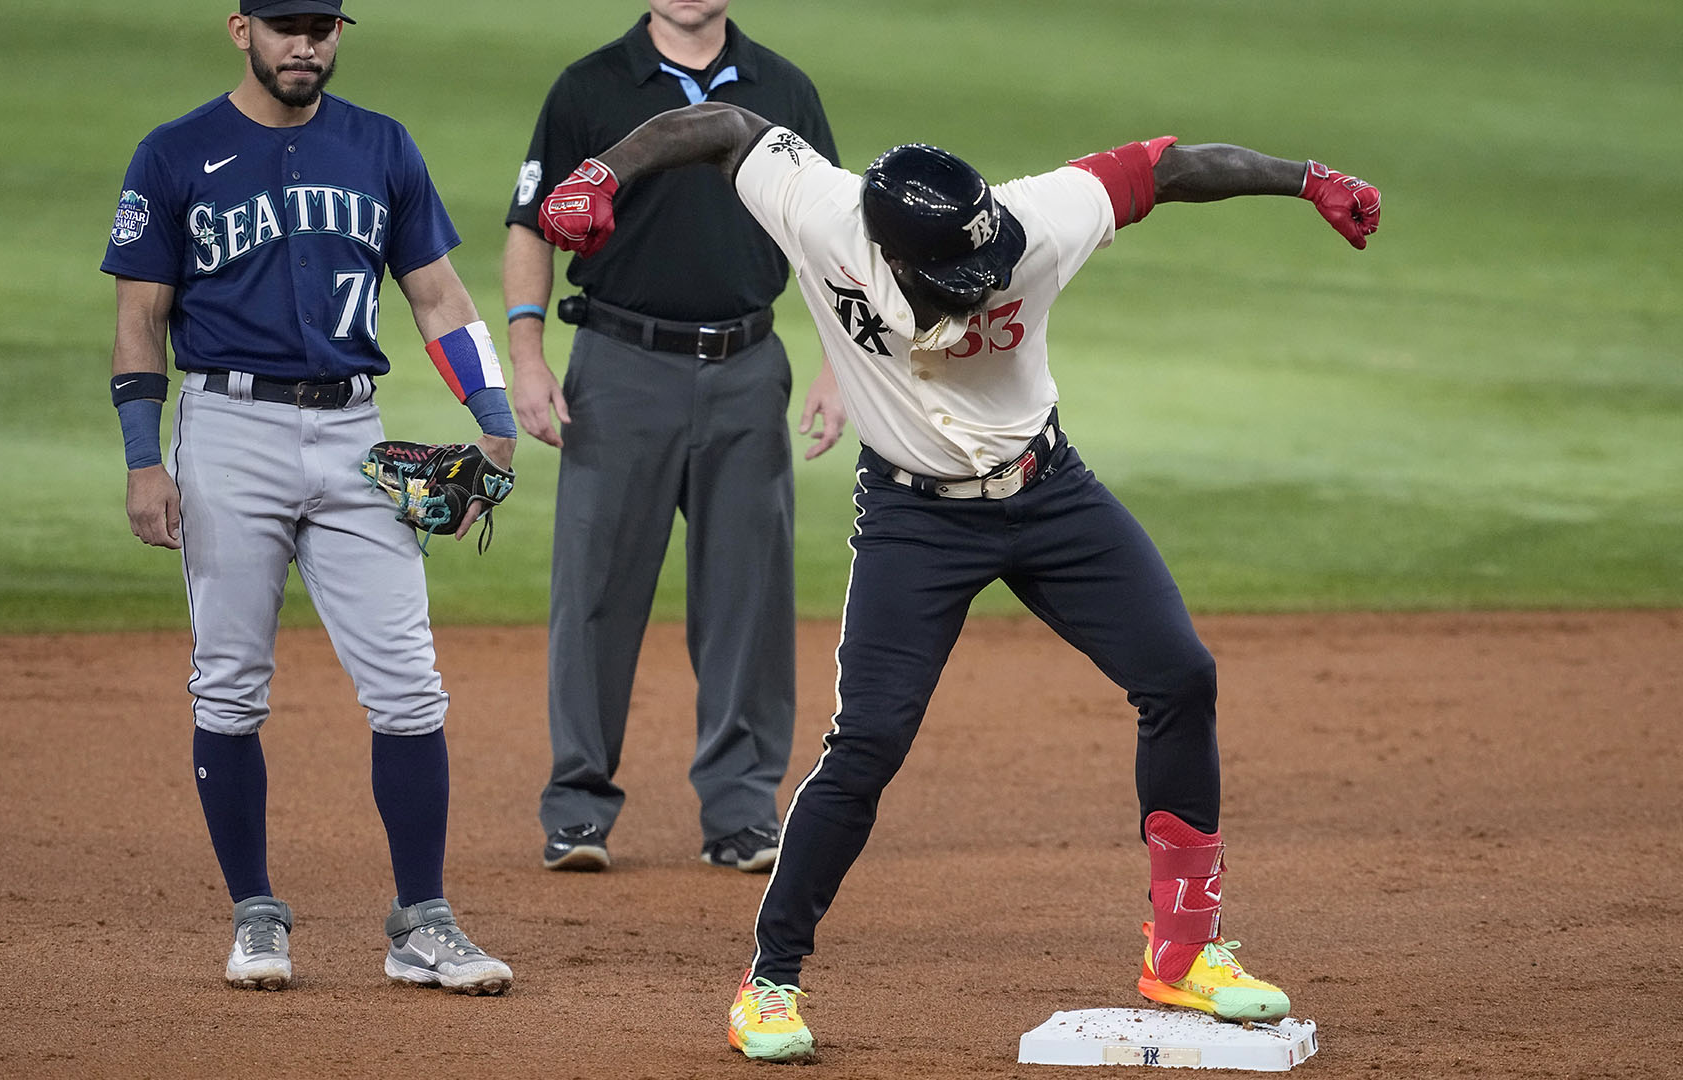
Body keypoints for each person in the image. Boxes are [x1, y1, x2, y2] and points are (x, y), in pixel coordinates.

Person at [541, 102, 1380, 1059]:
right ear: (887, 255)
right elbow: (725, 126)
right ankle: (769, 982)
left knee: (1180, 676)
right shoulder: (824, 211)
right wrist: (603, 173)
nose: (977, 293)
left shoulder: (1039, 219)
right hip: (916, 521)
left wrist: (1307, 177)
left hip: (1049, 490)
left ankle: (1182, 952)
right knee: (868, 743)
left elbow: (1174, 166)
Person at [101, 0, 516, 995]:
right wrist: (142, 458)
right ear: (239, 29)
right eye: (285, 26)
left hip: (354, 435)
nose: (305, 45)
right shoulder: (174, 155)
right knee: (231, 684)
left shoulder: (381, 147)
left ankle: (422, 920)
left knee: (410, 685)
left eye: (322, 27)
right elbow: (139, 320)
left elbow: (438, 294)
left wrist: (492, 412)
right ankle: (255, 914)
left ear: (339, 34)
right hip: (226, 431)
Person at [501, 0, 845, 874]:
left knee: (748, 600)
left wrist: (843, 365)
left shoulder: (785, 90)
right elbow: (530, 225)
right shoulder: (589, 87)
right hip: (619, 367)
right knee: (596, 592)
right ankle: (577, 808)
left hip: (747, 367)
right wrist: (528, 353)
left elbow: (829, 232)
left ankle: (741, 812)